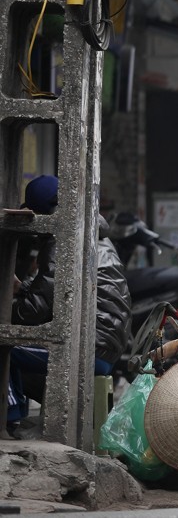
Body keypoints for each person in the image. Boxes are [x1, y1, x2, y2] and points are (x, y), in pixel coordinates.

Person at [6, 175, 132, 437]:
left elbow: (36, 309)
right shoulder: (96, 236)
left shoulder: (62, 240)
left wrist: (8, 312)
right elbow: (58, 289)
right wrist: (24, 288)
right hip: (108, 348)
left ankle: (10, 420)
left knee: (6, 345)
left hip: (90, 350)